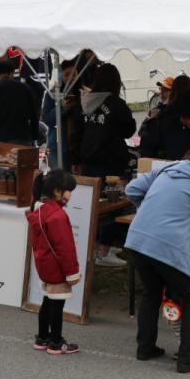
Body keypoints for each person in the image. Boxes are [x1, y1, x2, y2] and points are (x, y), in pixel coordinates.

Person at [125, 149, 190, 373]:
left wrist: (149, 210)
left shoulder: (166, 169)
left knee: (151, 293)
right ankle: (189, 359)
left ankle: (145, 348)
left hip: (138, 239)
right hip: (170, 247)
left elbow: (132, 189)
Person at [69, 64, 137, 267]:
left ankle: (95, 246)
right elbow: (128, 130)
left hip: (88, 161)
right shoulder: (116, 104)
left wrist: (75, 160)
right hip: (110, 162)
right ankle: (103, 251)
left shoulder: (84, 103)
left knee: (92, 205)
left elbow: (75, 134)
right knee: (110, 206)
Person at [26, 169, 81, 355]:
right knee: (57, 305)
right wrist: (72, 272)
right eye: (68, 190)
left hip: (45, 265)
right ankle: (56, 342)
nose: (70, 194)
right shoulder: (58, 216)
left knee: (47, 301)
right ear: (58, 191)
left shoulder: (39, 210)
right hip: (57, 268)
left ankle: (42, 337)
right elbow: (65, 248)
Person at [0, 58, 39, 145]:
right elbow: (34, 115)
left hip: (0, 139)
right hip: (23, 138)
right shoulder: (26, 88)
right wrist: (34, 137)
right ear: (12, 73)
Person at [138, 73, 190, 154]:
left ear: (174, 92)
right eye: (161, 89)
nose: (161, 92)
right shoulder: (157, 110)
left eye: (166, 90)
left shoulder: (174, 112)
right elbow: (141, 133)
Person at [42, 58, 76, 169]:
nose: (71, 78)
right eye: (67, 75)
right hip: (57, 144)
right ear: (61, 76)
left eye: (74, 74)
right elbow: (47, 119)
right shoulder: (52, 94)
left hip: (76, 144)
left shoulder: (82, 92)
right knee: (58, 178)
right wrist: (62, 107)